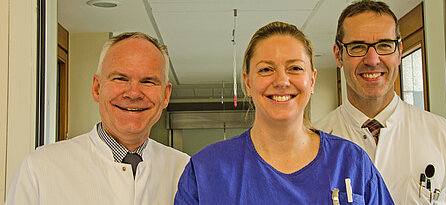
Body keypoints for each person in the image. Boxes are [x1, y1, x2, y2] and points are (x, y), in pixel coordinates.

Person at [174, 21, 393, 204]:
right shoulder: (205, 171)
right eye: (266, 69)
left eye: (295, 68)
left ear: (312, 80)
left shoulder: (351, 163)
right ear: (248, 82)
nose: (281, 81)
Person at [315, 0, 446, 204]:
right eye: (358, 47)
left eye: (384, 45)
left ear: (399, 52)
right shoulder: (313, 142)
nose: (373, 59)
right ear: (338, 55)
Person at [5, 32, 189, 204]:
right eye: (120, 79)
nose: (133, 93)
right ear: (97, 88)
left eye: (148, 81)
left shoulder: (186, 170)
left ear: (165, 95)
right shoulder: (40, 168)